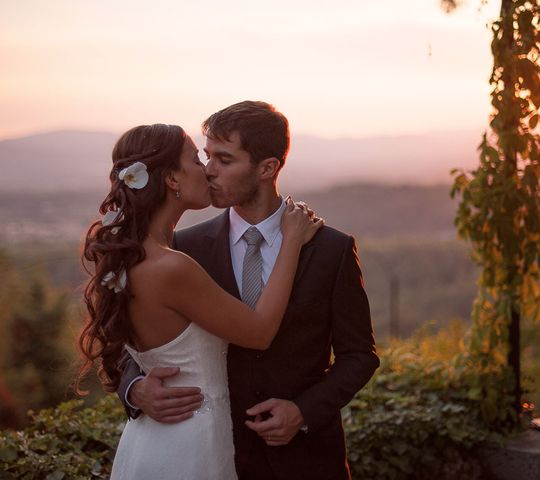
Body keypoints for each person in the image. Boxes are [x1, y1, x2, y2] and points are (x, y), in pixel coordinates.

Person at [117, 101, 379, 480]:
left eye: (224, 159)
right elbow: (141, 341)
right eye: (206, 157)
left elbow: (360, 355)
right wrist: (135, 389)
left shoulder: (330, 249)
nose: (209, 171)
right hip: (212, 452)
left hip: (306, 462)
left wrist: (303, 411)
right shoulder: (182, 248)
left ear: (267, 168)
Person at [77, 123, 322, 479]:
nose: (206, 169)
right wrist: (291, 242)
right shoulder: (172, 266)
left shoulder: (131, 258)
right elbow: (259, 332)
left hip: (153, 439)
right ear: (172, 180)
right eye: (195, 159)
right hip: (188, 445)